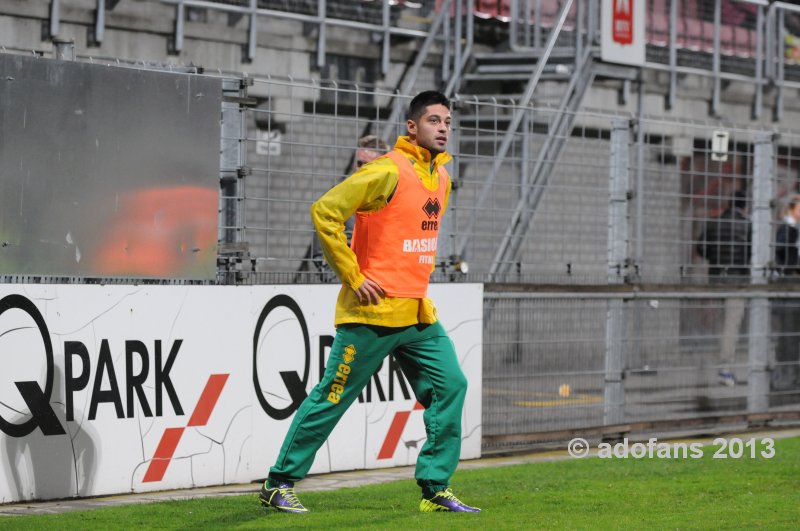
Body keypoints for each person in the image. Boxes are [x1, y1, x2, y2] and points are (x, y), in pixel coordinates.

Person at [259, 91, 480, 514]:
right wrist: (353, 276)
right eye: (434, 121)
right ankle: (277, 483)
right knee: (332, 396)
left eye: (448, 122)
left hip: (416, 314)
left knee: (452, 384)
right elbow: (325, 210)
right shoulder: (387, 171)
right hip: (370, 316)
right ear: (412, 127)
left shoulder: (443, 178)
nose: (444, 128)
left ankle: (435, 487)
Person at [696, 189, 751, 387]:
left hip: (716, 278)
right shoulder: (747, 225)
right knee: (731, 325)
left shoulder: (713, 223)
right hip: (737, 281)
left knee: (721, 321)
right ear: (744, 207)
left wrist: (715, 259)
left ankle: (718, 361)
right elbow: (752, 252)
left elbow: (701, 247)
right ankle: (725, 369)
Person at [772, 194, 800, 394]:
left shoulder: (793, 231)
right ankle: (785, 378)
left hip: (793, 291)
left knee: (792, 336)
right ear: (791, 209)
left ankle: (790, 376)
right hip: (789, 290)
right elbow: (784, 260)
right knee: (789, 336)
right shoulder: (787, 230)